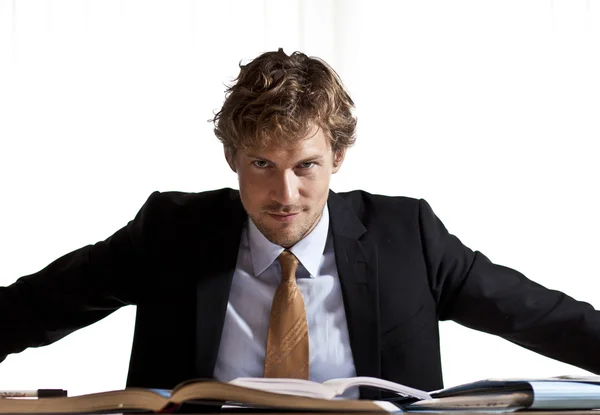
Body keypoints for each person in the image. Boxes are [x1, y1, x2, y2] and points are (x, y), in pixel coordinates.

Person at [1, 49, 599, 399]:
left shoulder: (405, 236)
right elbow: (34, 306)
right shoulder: (171, 232)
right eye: (261, 164)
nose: (284, 193)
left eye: (306, 166)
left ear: (338, 158)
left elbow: (539, 315)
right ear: (232, 158)